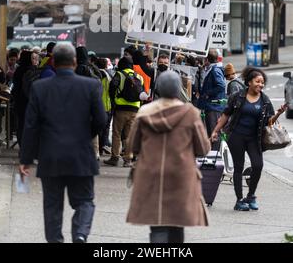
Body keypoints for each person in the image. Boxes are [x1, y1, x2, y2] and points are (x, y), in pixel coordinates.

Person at [19, 43, 106, 243]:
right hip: (81, 156)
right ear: (75, 62)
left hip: (50, 156)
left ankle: (56, 240)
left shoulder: (40, 88)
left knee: (52, 206)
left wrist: (26, 158)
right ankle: (81, 234)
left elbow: (30, 126)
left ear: (53, 62)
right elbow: (101, 120)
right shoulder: (91, 86)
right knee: (85, 201)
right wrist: (86, 135)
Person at [127, 71, 210, 243]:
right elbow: (203, 148)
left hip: (150, 174)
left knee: (157, 223)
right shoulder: (190, 113)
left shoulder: (144, 113)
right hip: (181, 175)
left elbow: (132, 146)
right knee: (177, 222)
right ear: (178, 89)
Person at [211, 67, 287, 211]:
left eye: (262, 82)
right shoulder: (238, 96)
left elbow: (269, 121)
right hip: (236, 136)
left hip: (254, 138)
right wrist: (215, 131)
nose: (260, 85)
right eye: (258, 81)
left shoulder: (265, 100)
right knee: (238, 167)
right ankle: (239, 200)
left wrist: (278, 113)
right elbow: (226, 115)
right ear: (249, 82)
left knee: (258, 165)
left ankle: (250, 196)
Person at [104, 56, 144, 167]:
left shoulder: (119, 74)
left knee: (116, 133)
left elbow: (112, 88)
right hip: (135, 110)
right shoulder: (139, 77)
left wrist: (114, 100)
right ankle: (128, 160)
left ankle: (115, 157)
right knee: (129, 135)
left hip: (121, 109)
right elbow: (142, 92)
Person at [197, 49, 226, 147]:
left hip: (214, 106)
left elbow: (221, 86)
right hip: (213, 106)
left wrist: (207, 94)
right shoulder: (213, 69)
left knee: (214, 132)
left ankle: (215, 154)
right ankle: (214, 152)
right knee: (212, 132)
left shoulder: (214, 70)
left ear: (207, 59)